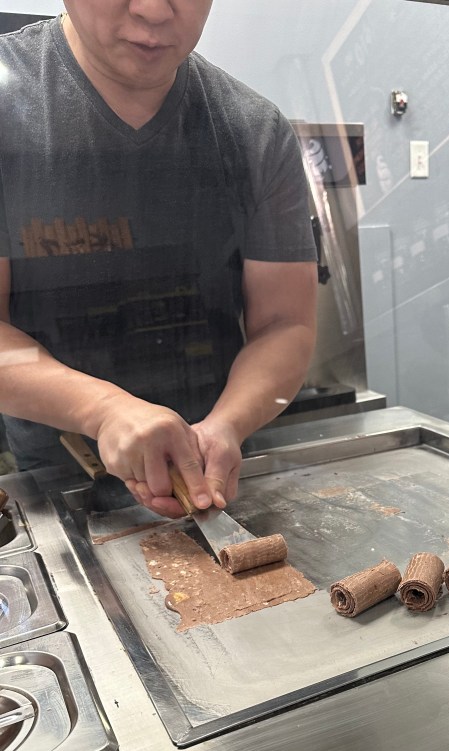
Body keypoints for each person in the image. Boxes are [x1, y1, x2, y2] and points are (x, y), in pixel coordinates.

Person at [0, 0, 318, 517]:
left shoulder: (255, 131)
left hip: (216, 475)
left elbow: (285, 324)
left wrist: (226, 425)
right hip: (59, 483)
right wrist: (104, 411)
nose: (152, 9)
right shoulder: (9, 100)